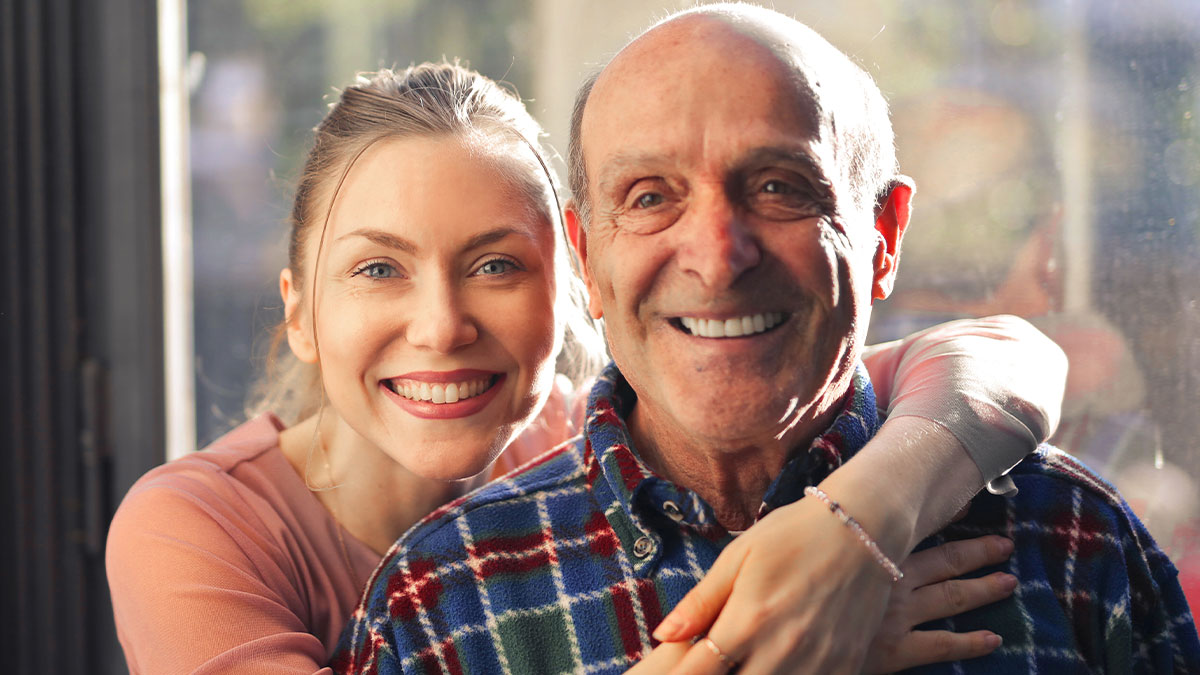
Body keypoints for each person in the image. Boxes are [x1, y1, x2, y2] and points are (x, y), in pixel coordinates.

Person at [107, 62, 1064, 674]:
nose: (440, 326)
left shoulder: (617, 443)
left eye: (495, 265)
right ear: (300, 312)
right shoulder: (193, 527)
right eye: (377, 269)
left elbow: (1003, 359)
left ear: (577, 281)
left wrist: (855, 528)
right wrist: (772, 645)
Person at [333, 6, 1200, 675]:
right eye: (649, 196)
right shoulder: (444, 601)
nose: (717, 258)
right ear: (587, 259)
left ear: (884, 235)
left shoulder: (1076, 541)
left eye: (780, 187)